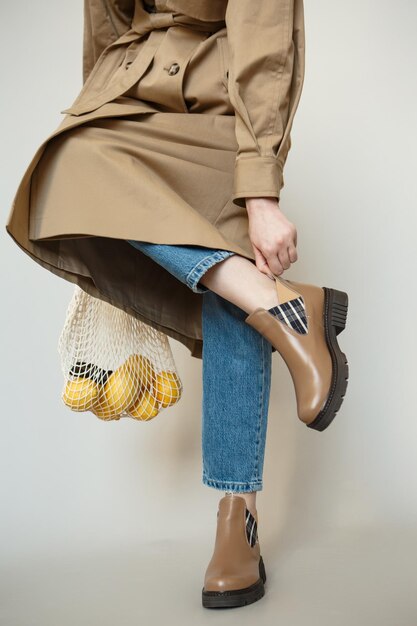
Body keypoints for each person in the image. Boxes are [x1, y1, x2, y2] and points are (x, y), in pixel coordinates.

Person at [5, 0, 349, 609]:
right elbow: (104, 27)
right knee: (71, 162)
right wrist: (101, 110)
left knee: (231, 264)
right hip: (133, 94)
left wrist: (261, 188)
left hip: (223, 102)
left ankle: (235, 518)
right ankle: (286, 310)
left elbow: (267, 40)